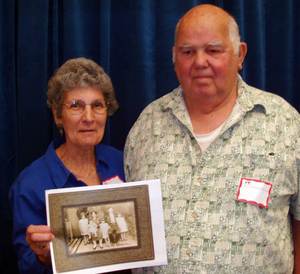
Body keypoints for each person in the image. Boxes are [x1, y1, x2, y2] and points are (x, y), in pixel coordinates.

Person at [124, 4, 300, 274]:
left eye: (214, 50)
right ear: (174, 57)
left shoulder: (285, 124)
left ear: (239, 54)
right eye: (188, 52)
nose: (200, 62)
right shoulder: (147, 125)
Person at [9, 58, 131, 274]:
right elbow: (26, 267)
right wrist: (44, 257)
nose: (89, 117)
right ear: (57, 115)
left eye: (97, 105)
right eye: (76, 106)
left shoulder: (122, 162)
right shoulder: (30, 186)